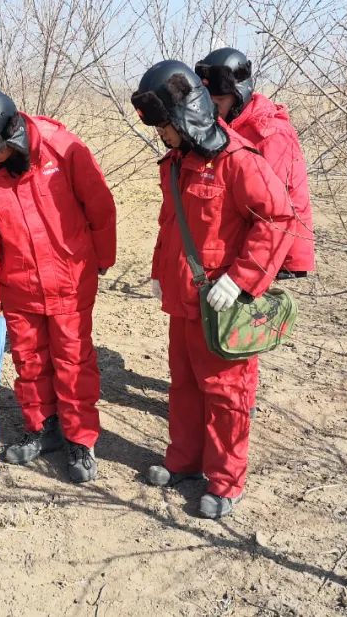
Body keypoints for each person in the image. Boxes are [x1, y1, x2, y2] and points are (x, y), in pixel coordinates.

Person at [131, 61, 295, 519]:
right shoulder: (175, 162)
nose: (161, 135)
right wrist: (160, 273)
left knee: (226, 394)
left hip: (223, 305)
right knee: (184, 385)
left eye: (164, 125)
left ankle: (225, 481)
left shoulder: (238, 160)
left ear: (186, 117)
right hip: (184, 301)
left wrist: (241, 279)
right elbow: (171, 226)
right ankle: (184, 460)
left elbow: (278, 219)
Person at [0, 86, 116, 483]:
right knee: (30, 359)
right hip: (18, 285)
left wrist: (102, 258)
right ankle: (43, 427)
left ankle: (80, 440)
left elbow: (99, 206)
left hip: (70, 277)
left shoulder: (62, 148)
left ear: (10, 132)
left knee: (73, 361)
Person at [194, 47, 314, 278]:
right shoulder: (232, 126)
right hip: (249, 243)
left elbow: (275, 207)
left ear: (240, 95)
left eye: (220, 100)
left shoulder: (269, 134)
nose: (213, 108)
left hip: (277, 251)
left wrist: (251, 268)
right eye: (209, 100)